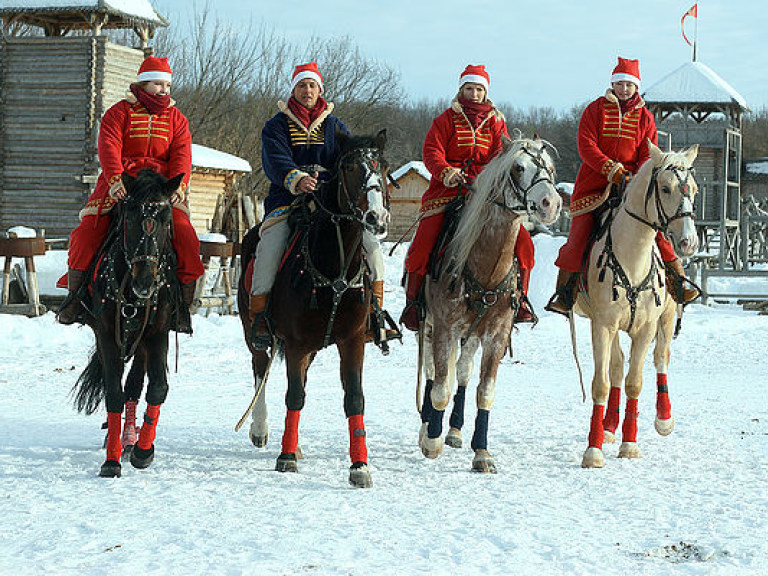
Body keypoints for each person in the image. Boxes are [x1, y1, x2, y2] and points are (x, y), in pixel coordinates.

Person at [249, 62, 393, 349]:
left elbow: (348, 161)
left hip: (330, 204)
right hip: (288, 200)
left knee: (373, 252)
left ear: (320, 90)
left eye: (312, 85)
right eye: (302, 85)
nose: (307, 91)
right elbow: (274, 160)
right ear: (294, 89)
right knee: (269, 248)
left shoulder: (335, 126)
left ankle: (374, 316)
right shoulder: (276, 125)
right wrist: (297, 178)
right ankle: (260, 317)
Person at [56, 57, 204, 332]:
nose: (164, 90)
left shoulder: (177, 119)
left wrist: (179, 187)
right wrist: (114, 179)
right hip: (123, 184)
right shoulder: (119, 112)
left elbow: (182, 155)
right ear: (143, 83)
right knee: (87, 233)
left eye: (167, 85)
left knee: (185, 236)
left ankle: (182, 307)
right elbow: (109, 146)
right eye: (158, 83)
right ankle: (75, 298)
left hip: (161, 189)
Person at [546, 57, 699, 315]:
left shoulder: (645, 117)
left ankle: (678, 282)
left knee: (657, 233)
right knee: (577, 239)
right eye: (620, 83)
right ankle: (565, 293)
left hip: (633, 187)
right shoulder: (595, 110)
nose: (625, 89)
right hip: (594, 187)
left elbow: (648, 153)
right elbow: (586, 146)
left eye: (629, 84)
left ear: (636, 87)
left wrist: (634, 176)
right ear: (613, 83)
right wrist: (610, 169)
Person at [400, 64, 536, 331]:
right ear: (461, 89)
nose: (474, 94)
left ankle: (520, 300)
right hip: (448, 192)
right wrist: (446, 172)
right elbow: (431, 151)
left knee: (524, 245)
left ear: (486, 92)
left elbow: (503, 156)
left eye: (479, 89)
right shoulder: (445, 119)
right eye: (469, 89)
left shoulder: (497, 122)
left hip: (486, 197)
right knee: (421, 247)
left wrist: (489, 179)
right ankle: (414, 303)